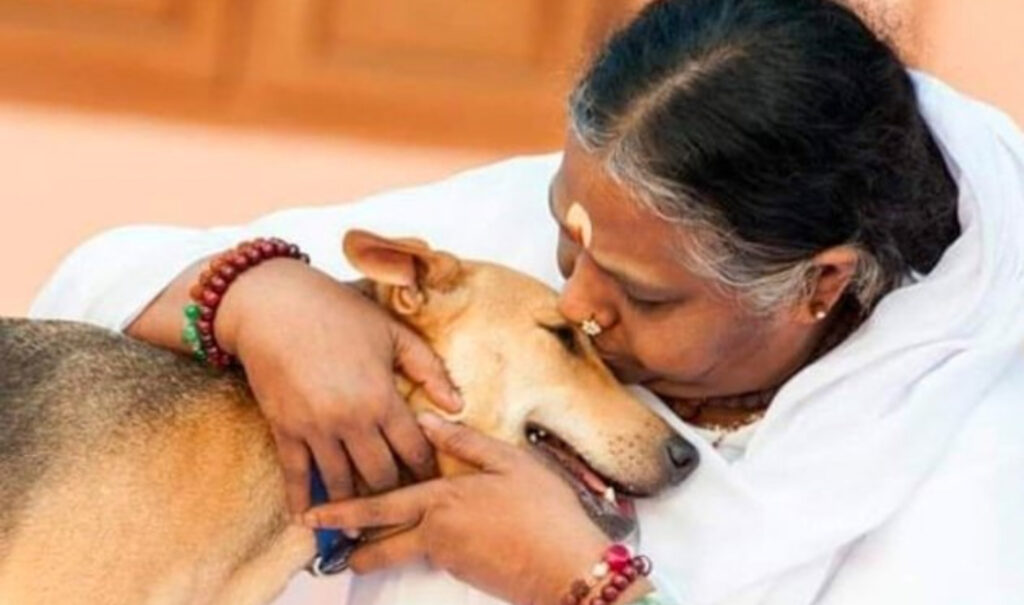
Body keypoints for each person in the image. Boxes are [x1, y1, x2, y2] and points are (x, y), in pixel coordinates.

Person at [30, 1, 1024, 603]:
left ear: (820, 282)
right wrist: (255, 291)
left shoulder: (979, 460)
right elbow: (84, 307)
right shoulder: (607, 204)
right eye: (560, 239)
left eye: (640, 294)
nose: (579, 304)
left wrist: (581, 582)